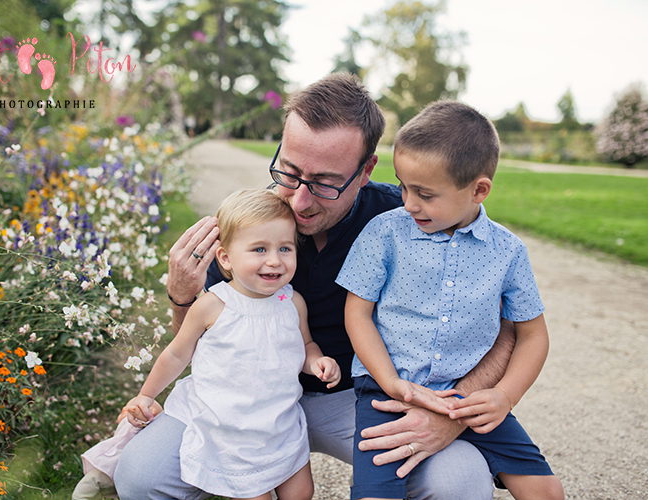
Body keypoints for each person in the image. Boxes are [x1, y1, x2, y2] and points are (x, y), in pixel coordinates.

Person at [115, 73, 513, 499]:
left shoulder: (412, 221)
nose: (299, 201)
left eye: (325, 182)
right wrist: (180, 296)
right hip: (241, 400)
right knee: (141, 477)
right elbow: (196, 342)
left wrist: (452, 415)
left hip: (358, 399)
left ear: (365, 171)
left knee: (461, 480)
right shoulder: (250, 224)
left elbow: (508, 327)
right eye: (288, 171)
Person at [337, 100, 564, 500]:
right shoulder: (385, 233)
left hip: (470, 398)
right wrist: (391, 383)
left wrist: (504, 395)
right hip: (388, 392)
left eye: (424, 193)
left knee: (546, 491)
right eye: (403, 186)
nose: (407, 203)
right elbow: (357, 312)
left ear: (478, 190)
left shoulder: (508, 252)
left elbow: (533, 336)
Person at [118, 189, 341, 500]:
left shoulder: (292, 301)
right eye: (259, 249)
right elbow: (177, 353)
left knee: (302, 492)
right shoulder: (214, 305)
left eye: (285, 248)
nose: (275, 261)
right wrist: (146, 394)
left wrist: (316, 361)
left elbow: (305, 343)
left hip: (279, 421)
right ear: (225, 257)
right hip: (232, 429)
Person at [72, 403, 162, 500]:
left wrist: (140, 415)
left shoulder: (134, 425)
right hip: (124, 475)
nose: (124, 409)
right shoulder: (141, 433)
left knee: (83, 491)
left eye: (130, 407)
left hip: (107, 470)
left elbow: (139, 423)